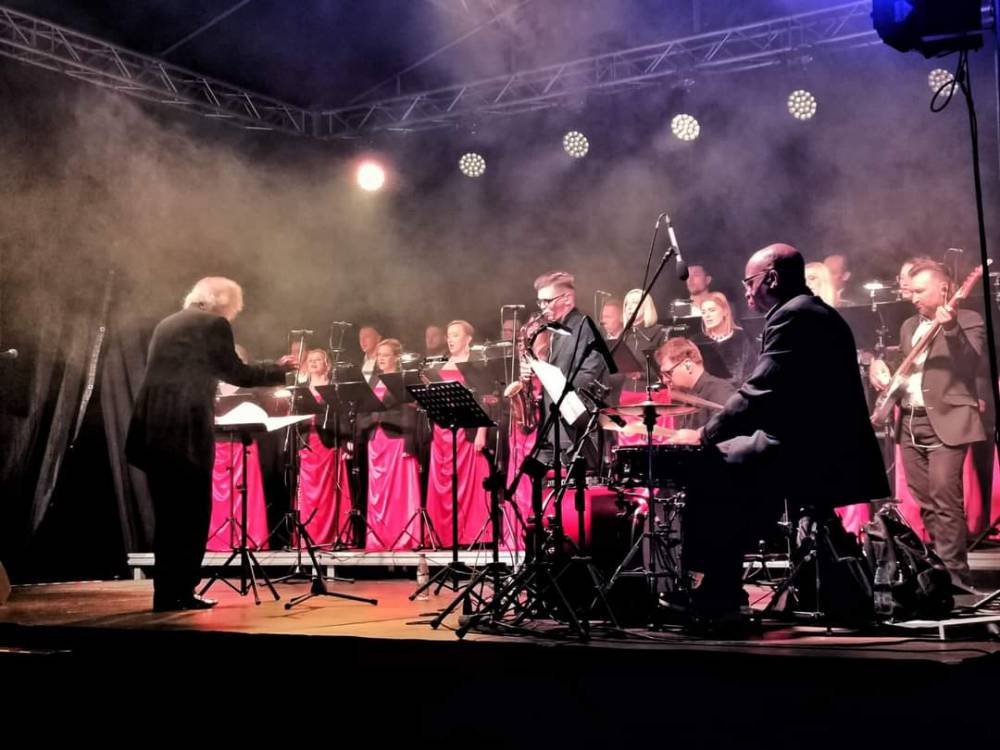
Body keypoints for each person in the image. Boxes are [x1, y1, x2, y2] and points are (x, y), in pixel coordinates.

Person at [669, 244, 888, 622]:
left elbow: (760, 391)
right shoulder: (814, 312)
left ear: (771, 278)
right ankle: (725, 584)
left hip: (814, 452)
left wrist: (705, 434)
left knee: (711, 464)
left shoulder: (794, 316)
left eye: (749, 282)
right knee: (734, 460)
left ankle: (717, 593)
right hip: (825, 445)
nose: (746, 290)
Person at [126, 277, 294, 612]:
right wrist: (277, 370)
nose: (232, 315)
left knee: (168, 517)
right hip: (184, 431)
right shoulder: (212, 324)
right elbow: (235, 372)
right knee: (191, 515)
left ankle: (166, 594)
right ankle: (182, 591)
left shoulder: (168, 323)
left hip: (153, 429)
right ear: (221, 302)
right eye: (233, 308)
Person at [870, 260, 986, 588]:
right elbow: (903, 365)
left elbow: (970, 363)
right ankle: (939, 572)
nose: (913, 297)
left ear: (944, 289)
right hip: (910, 422)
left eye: (920, 291)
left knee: (945, 500)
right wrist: (880, 367)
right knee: (925, 503)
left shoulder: (968, 320)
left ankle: (956, 577)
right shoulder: (909, 325)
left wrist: (951, 329)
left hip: (947, 421)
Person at [425, 320, 492, 546]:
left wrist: (482, 432)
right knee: (444, 483)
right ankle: (444, 536)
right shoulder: (440, 365)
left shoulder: (476, 365)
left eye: (455, 335)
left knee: (467, 484)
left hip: (466, 432)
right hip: (442, 432)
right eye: (449, 335)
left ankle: (470, 534)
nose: (450, 339)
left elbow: (485, 400)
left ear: (468, 339)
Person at [533, 271, 609, 467]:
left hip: (574, 427)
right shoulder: (556, 330)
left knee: (575, 482)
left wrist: (558, 387)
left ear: (567, 298)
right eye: (540, 302)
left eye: (547, 301)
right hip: (552, 426)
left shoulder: (585, 327)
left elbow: (590, 373)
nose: (542, 308)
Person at [363, 339, 422, 550]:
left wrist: (409, 443)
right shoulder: (373, 380)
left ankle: (403, 536)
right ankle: (379, 537)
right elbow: (364, 410)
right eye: (379, 355)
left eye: (386, 355)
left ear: (396, 357)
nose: (381, 359)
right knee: (378, 492)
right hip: (376, 439)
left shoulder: (403, 379)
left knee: (399, 492)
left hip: (396, 438)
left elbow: (411, 413)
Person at [296, 348, 352, 546]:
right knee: (308, 493)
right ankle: (309, 535)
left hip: (327, 445)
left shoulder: (333, 389)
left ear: (326, 364)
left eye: (318, 359)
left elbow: (343, 418)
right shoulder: (300, 389)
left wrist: (346, 444)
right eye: (310, 360)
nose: (313, 362)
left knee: (328, 493)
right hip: (307, 444)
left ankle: (330, 535)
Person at [655, 338, 735, 431]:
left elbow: (727, 431)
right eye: (662, 375)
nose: (664, 380)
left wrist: (697, 436)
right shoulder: (690, 396)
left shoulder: (719, 391)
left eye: (668, 373)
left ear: (688, 365)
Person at [694, 292, 757, 388]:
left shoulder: (743, 338)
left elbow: (752, 373)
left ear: (725, 311)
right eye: (704, 312)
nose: (707, 315)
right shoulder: (697, 342)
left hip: (738, 393)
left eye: (712, 310)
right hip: (707, 394)